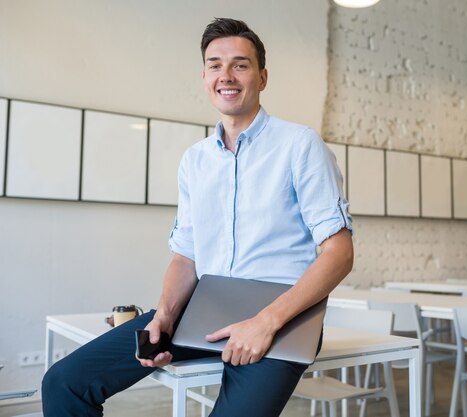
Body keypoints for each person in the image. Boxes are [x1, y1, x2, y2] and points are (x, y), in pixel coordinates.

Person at [41, 17, 353, 417]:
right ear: (204, 76)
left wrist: (265, 321)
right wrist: (166, 316)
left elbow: (339, 252)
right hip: (202, 307)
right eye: (215, 65)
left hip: (282, 315)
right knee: (64, 382)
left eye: (240, 64)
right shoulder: (195, 161)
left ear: (262, 76)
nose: (227, 75)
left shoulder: (299, 145)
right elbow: (185, 254)